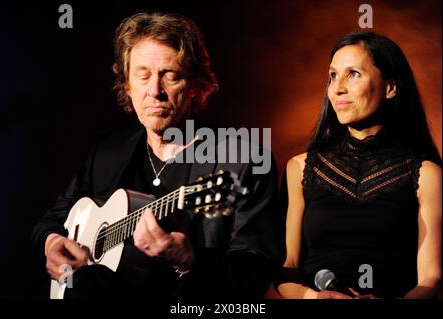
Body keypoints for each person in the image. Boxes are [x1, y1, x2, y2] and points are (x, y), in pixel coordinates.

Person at [31, 12, 281, 300]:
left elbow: (255, 274)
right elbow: (50, 222)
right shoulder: (108, 153)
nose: (155, 91)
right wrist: (52, 244)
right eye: (143, 75)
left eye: (170, 76)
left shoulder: (243, 159)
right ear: (127, 84)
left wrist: (190, 262)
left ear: (196, 85)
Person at [276, 32, 441, 299]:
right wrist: (315, 298)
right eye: (332, 76)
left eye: (353, 74)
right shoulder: (300, 168)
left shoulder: (426, 175)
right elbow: (286, 269)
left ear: (391, 87)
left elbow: (432, 279)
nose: (337, 87)